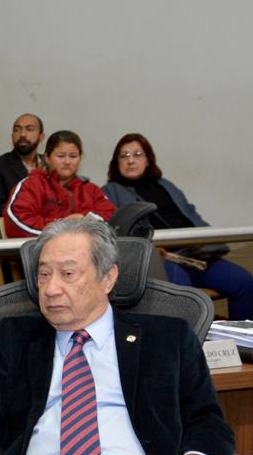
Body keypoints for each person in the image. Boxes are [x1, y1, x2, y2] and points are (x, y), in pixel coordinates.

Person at [0, 218, 235, 455]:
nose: (51, 289)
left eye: (68, 274)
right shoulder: (13, 338)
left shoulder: (166, 337)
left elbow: (206, 419)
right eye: (44, 274)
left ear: (108, 278)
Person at [103, 133, 253, 320]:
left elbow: (191, 215)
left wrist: (209, 241)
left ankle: (241, 337)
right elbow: (120, 232)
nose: (130, 160)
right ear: (116, 162)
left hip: (196, 254)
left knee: (245, 283)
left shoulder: (165, 184)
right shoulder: (110, 191)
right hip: (162, 258)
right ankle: (191, 340)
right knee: (183, 299)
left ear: (148, 160)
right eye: (124, 156)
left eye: (137, 154)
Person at [4, 130, 116, 238]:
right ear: (47, 158)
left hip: (86, 249)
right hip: (43, 249)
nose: (67, 162)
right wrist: (64, 226)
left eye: (73, 156)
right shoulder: (31, 185)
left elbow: (113, 218)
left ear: (80, 159)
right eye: (61, 156)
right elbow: (17, 222)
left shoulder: (91, 190)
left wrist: (85, 220)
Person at [0, 113, 45, 220]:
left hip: (54, 225)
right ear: (12, 136)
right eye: (17, 130)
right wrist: (31, 216)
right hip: (17, 225)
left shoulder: (50, 165)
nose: (22, 134)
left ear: (41, 137)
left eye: (29, 129)